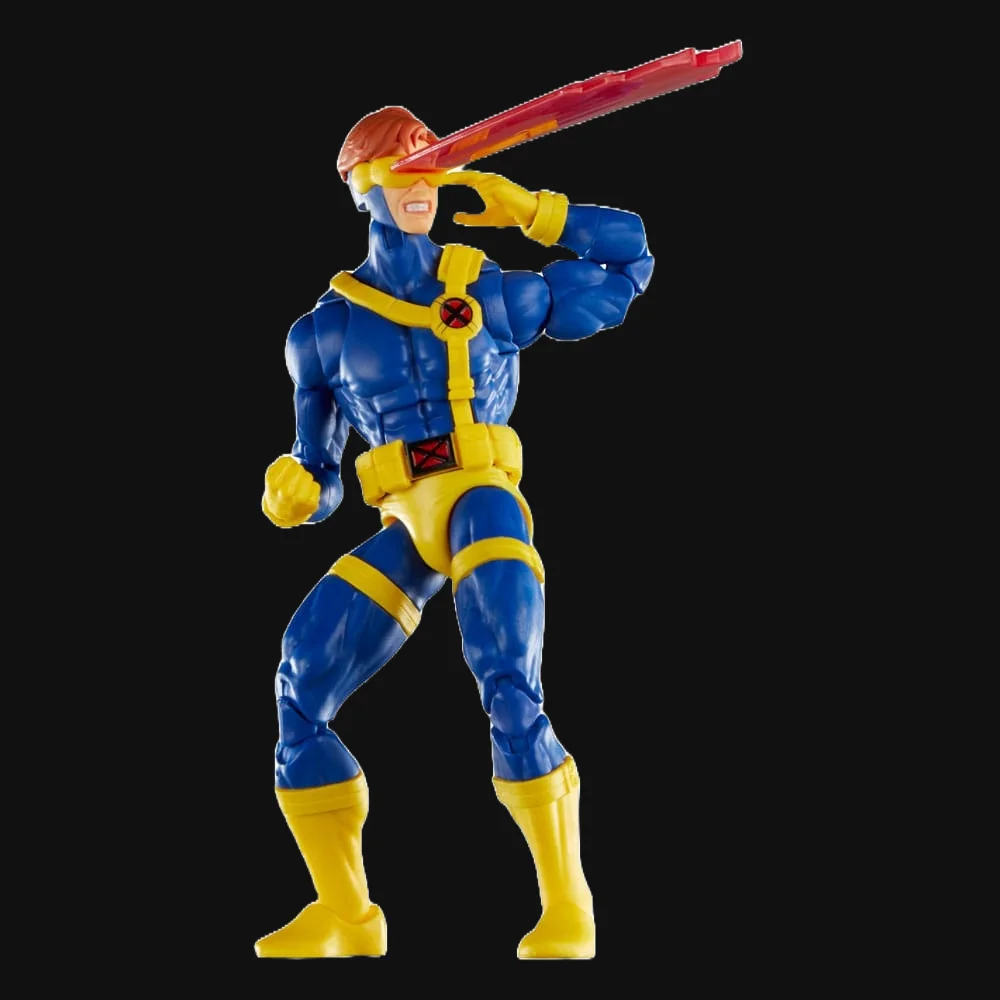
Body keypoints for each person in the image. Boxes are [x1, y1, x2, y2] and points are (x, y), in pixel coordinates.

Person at [256, 106, 654, 959]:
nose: (422, 181)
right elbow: (319, 472)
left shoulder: (490, 290)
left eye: (431, 161)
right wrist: (295, 493)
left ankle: (568, 904)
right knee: (299, 689)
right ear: (362, 185)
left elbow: (628, 262)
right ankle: (348, 915)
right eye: (401, 166)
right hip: (405, 519)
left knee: (508, 683)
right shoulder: (323, 332)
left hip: (481, 499)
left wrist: (530, 210)